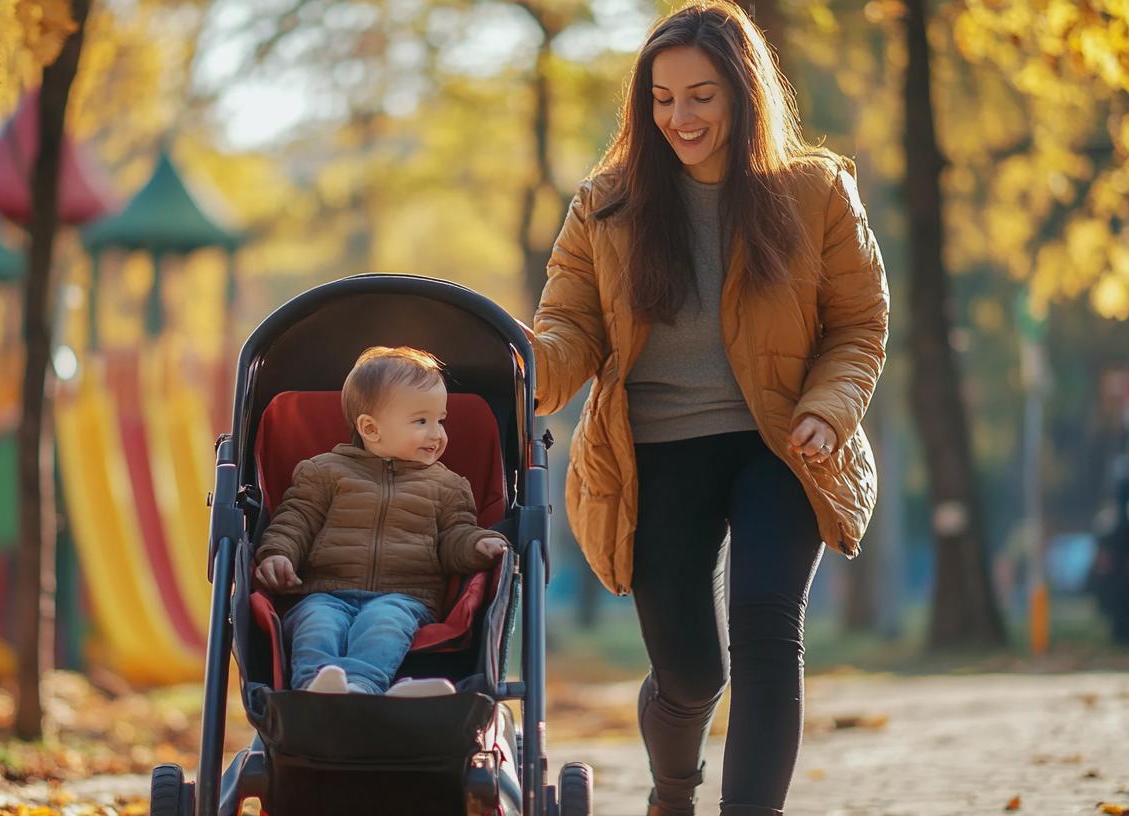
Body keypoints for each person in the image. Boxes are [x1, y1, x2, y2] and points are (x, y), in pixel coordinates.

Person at [527, 4, 888, 814]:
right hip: (655, 450)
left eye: (701, 96)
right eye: (661, 99)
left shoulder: (814, 192)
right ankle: (672, 790)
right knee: (691, 672)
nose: (679, 118)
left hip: (781, 440)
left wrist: (830, 410)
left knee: (767, 636)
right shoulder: (606, 205)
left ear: (743, 93)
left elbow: (859, 325)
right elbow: (568, 330)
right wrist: (525, 364)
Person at [254, 346, 506, 697]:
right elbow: (295, 520)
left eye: (441, 420)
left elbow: (454, 537)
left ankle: (361, 686)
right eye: (421, 421)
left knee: (384, 624)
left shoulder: (447, 485)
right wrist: (277, 553)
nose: (437, 434)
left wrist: (476, 544)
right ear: (371, 428)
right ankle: (314, 688)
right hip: (325, 590)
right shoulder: (324, 472)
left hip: (404, 596)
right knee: (317, 623)